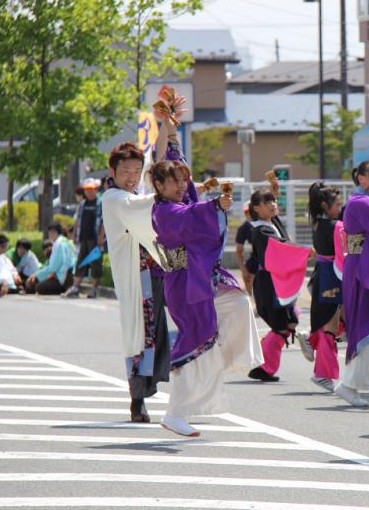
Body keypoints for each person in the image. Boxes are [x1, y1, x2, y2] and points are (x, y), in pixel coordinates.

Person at [148, 160, 263, 437]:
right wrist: (214, 207)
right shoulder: (163, 212)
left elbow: (190, 206)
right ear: (159, 185)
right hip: (184, 284)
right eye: (174, 181)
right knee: (196, 343)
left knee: (237, 303)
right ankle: (175, 413)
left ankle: (216, 355)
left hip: (199, 277)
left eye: (183, 180)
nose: (181, 186)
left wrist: (171, 133)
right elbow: (189, 218)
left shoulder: (179, 204)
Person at [101, 142, 171, 423]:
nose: (131, 176)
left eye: (136, 170)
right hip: (135, 277)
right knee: (141, 337)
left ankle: (181, 397)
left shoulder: (136, 196)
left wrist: (166, 126)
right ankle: (137, 400)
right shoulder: (114, 198)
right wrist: (173, 192)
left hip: (157, 271)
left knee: (163, 334)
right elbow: (150, 202)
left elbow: (161, 163)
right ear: (113, 171)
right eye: (126, 170)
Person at [335, 159, 369, 408]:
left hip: (365, 264)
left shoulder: (367, 202)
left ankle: (356, 383)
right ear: (362, 179)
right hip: (363, 267)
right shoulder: (363, 203)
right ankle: (349, 384)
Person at [248, 190, 300, 383]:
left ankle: (262, 362)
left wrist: (274, 188)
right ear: (256, 208)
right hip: (269, 284)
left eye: (274, 200)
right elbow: (281, 248)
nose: (273, 204)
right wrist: (303, 253)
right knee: (282, 325)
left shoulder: (270, 224)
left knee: (288, 323)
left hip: (277, 281)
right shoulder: (261, 230)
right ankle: (263, 367)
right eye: (267, 202)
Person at [300, 181, 344, 392]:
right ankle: (323, 374)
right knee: (331, 327)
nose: (340, 208)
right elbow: (341, 257)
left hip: (321, 274)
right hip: (333, 276)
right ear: (325, 206)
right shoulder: (336, 226)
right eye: (337, 204)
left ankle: (310, 339)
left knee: (327, 320)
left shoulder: (317, 224)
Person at [64, 178, 105, 298]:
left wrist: (102, 237)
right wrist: (74, 236)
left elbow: (104, 222)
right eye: (87, 189)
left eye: (91, 189)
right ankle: (75, 287)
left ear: (96, 190)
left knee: (95, 263)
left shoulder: (100, 203)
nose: (89, 192)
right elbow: (78, 221)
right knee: (80, 262)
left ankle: (94, 289)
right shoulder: (82, 204)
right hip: (83, 238)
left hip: (95, 238)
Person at [26, 223, 75, 296]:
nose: (51, 234)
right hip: (68, 274)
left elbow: (53, 267)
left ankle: (64, 288)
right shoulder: (66, 241)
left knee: (38, 287)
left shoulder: (59, 244)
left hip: (64, 276)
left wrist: (36, 275)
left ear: (57, 232)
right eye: (50, 232)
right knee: (37, 284)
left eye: (53, 232)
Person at [235, 205, 257, 296]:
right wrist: (244, 270)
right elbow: (239, 251)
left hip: (269, 257)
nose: (251, 215)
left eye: (253, 212)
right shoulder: (243, 228)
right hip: (256, 257)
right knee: (247, 274)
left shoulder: (266, 222)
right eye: (248, 212)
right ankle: (250, 297)